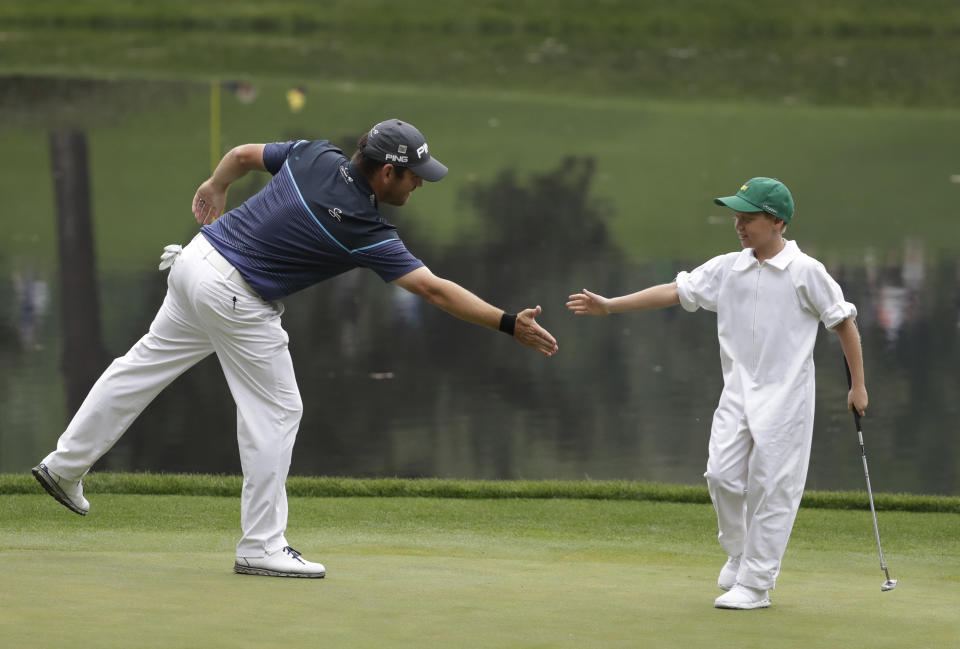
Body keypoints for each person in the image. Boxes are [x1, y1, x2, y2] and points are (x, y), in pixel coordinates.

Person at [32, 119, 559, 579]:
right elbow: (433, 289)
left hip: (195, 262)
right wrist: (508, 323)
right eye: (414, 175)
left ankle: (64, 466)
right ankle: (261, 547)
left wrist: (216, 186)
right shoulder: (363, 227)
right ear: (385, 172)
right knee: (278, 409)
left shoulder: (316, 153)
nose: (420, 183)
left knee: (139, 368)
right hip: (235, 293)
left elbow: (241, 157)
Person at [566, 177, 867, 610]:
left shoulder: (807, 272)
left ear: (778, 223)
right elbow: (675, 291)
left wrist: (858, 386)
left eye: (749, 218)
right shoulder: (729, 267)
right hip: (738, 393)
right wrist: (610, 305)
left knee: (772, 488)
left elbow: (843, 324)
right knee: (721, 475)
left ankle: (757, 585)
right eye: (736, 217)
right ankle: (741, 552)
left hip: (787, 402)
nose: (739, 226)